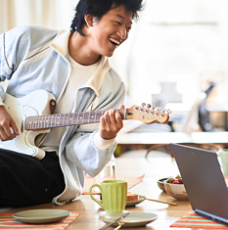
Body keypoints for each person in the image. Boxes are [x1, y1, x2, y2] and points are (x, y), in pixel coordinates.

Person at [0, 0, 143, 207]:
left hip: (51, 168)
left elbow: (76, 153)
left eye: (128, 27)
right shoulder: (29, 40)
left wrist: (104, 137)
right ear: (90, 18)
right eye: (118, 23)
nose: (123, 34)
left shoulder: (112, 87)